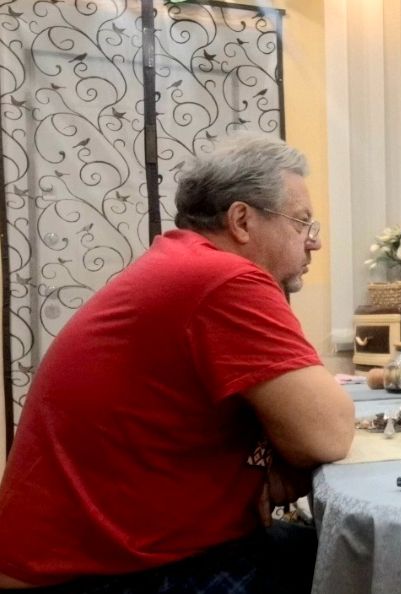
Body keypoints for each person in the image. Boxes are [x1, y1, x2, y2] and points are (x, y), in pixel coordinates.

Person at [0, 132, 356, 592]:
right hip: (102, 575)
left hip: (84, 554)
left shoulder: (182, 265)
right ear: (242, 220)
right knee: (368, 566)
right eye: (301, 223)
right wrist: (285, 459)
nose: (313, 243)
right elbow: (328, 433)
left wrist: (278, 464)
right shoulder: (224, 280)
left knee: (334, 552)